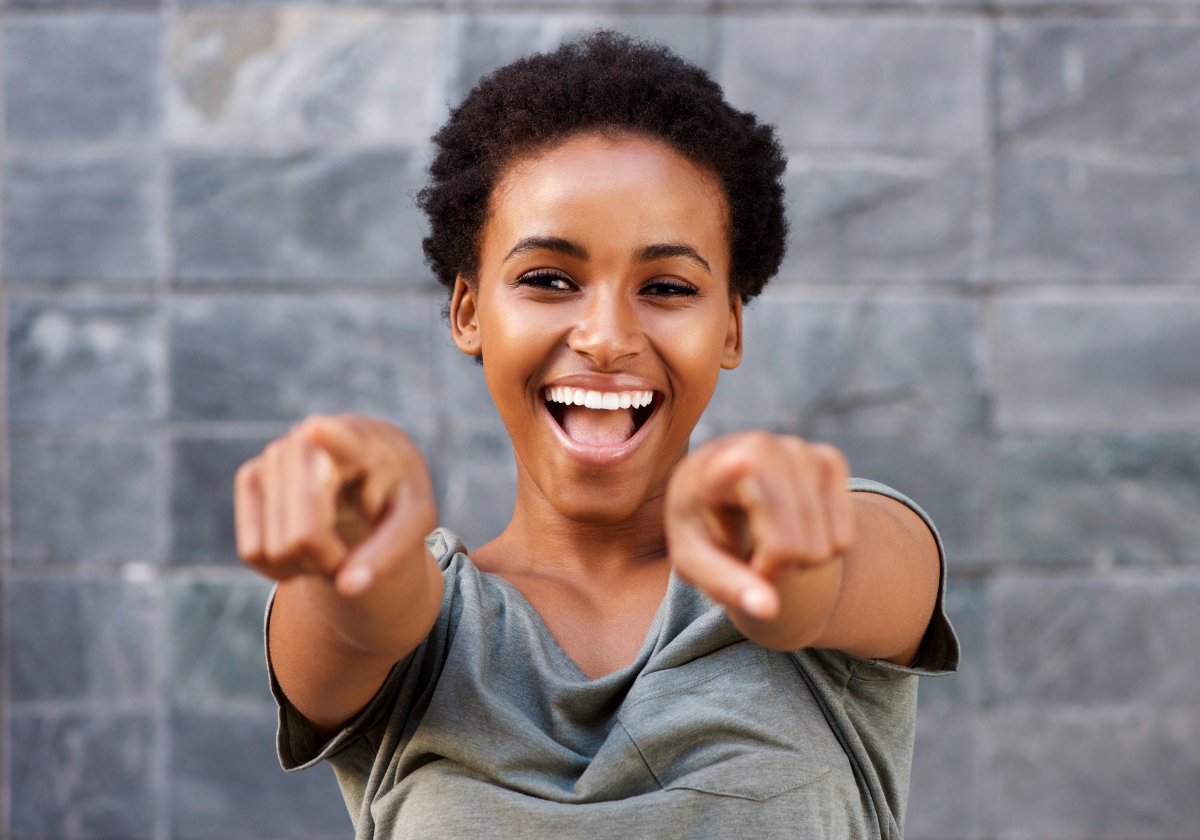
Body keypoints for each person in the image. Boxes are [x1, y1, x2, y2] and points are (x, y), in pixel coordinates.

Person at [233, 32, 958, 840]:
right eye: (549, 279)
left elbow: (845, 574)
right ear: (470, 311)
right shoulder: (422, 623)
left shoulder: (836, 540)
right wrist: (355, 550)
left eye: (667, 287)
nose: (607, 335)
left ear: (729, 328)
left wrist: (794, 580)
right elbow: (365, 612)